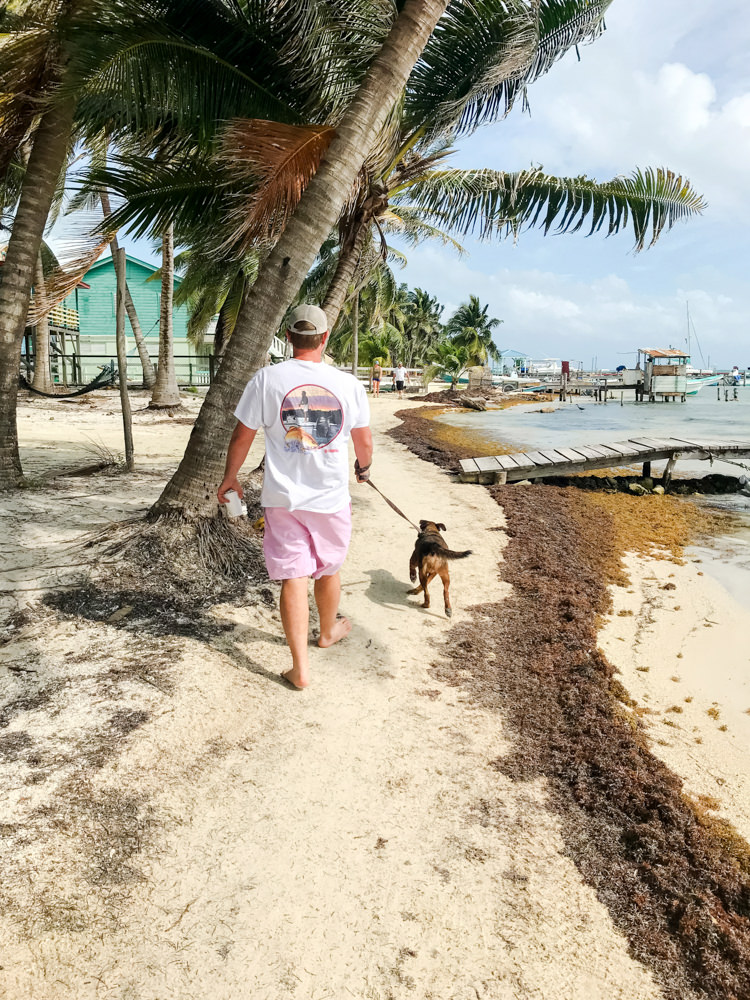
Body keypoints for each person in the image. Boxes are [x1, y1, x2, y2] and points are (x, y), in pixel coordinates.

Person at [218, 304, 373, 690]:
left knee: (293, 576)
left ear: (288, 338)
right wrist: (364, 468)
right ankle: (326, 632)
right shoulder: (349, 384)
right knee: (329, 568)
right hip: (331, 498)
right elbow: (363, 441)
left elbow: (243, 435)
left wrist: (230, 477)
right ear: (324, 339)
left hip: (284, 498)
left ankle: (300, 668)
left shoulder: (267, 379)